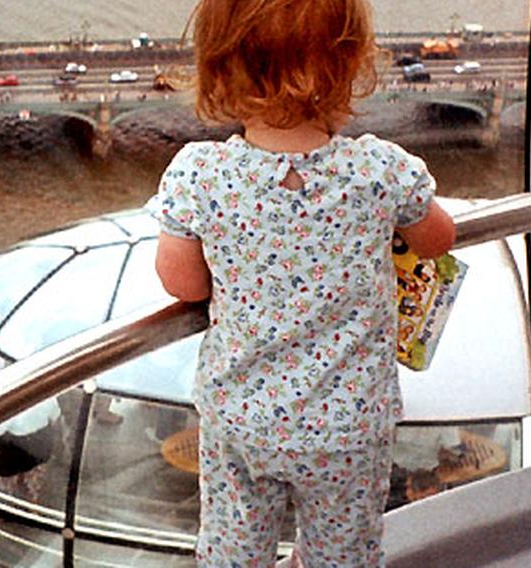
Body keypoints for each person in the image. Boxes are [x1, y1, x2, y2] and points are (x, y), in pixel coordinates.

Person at [144, 1, 456, 566]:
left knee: (233, 551)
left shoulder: (201, 175)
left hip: (244, 419)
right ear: (351, 65)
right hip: (349, 425)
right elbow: (439, 238)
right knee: (343, 555)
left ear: (217, 67)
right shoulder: (380, 171)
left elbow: (182, 283)